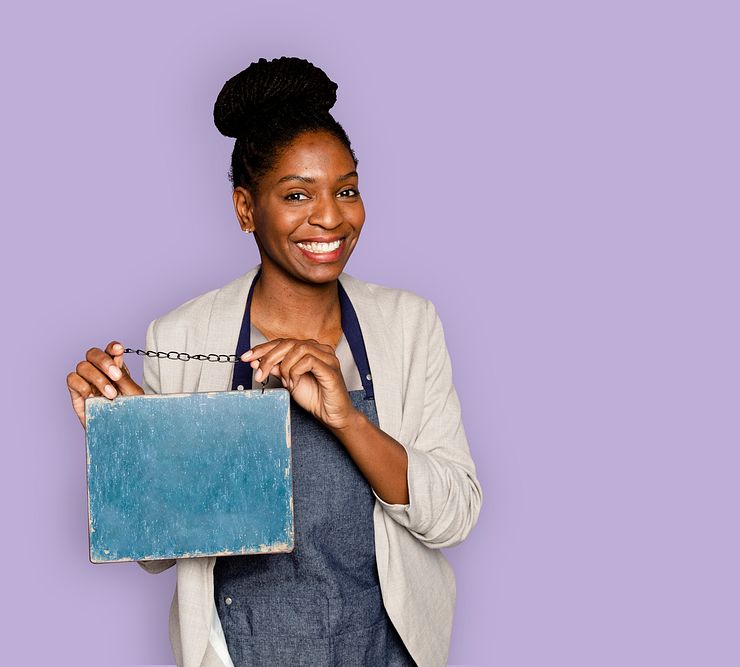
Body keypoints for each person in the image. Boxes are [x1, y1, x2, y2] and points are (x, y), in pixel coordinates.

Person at [66, 56, 482, 667]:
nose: (331, 217)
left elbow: (453, 518)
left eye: (346, 189)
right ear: (244, 208)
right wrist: (134, 447)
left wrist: (348, 419)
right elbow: (158, 555)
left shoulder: (408, 325)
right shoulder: (183, 332)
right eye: (296, 195)